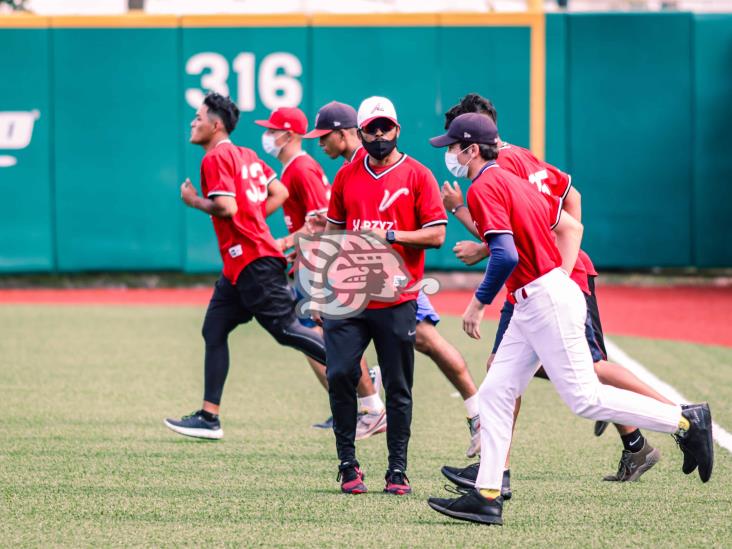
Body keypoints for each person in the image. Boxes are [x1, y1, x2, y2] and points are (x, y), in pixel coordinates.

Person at [426, 113, 713, 525]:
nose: (449, 154)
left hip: (544, 300)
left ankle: (685, 419)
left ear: (472, 149)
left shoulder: (487, 184)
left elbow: (506, 254)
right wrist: (556, 277)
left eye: (453, 147)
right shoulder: (511, 180)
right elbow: (568, 223)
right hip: (537, 299)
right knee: (494, 393)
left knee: (585, 398)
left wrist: (478, 302)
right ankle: (487, 495)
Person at [306, 100, 481, 457]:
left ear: (346, 134)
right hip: (361, 282)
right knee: (388, 346)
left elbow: (417, 231)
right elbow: (341, 229)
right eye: (372, 129)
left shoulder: (380, 165)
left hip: (394, 279)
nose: (321, 144)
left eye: (325, 137)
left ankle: (477, 413)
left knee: (427, 340)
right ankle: (372, 407)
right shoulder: (350, 171)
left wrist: (384, 235)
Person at [163, 92, 329, 440]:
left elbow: (225, 207)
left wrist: (193, 200)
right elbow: (279, 193)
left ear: (216, 124)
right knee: (214, 329)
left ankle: (355, 371)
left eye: (198, 117)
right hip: (240, 264)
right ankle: (210, 418)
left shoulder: (215, 158)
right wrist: (251, 215)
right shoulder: (247, 154)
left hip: (253, 258)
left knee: (286, 330)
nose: (193, 123)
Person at [319, 96, 447, 494]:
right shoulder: (346, 177)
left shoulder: (418, 175)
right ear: (360, 132)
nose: (378, 135)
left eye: (385, 127)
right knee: (339, 373)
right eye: (371, 129)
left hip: (396, 297)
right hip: (350, 297)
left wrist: (391, 235)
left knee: (398, 385)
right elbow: (332, 234)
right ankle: (347, 464)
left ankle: (397, 469)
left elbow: (438, 235)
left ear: (397, 129)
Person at [255, 107, 386, 438]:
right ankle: (350, 403)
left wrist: (289, 244)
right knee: (310, 334)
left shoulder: (301, 168)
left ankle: (364, 402)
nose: (268, 136)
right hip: (310, 261)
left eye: (273, 130)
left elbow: (321, 220)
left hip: (319, 262)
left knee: (315, 333)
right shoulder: (293, 169)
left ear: (288, 134)